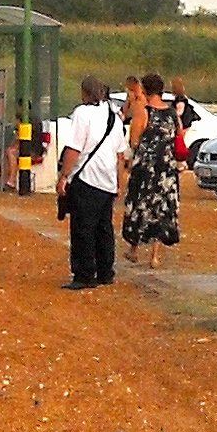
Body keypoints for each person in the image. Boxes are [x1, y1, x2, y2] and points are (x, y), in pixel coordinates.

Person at [54, 76, 126, 289]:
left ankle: (84, 274)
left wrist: (64, 176)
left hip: (87, 179)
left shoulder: (82, 114)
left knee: (83, 228)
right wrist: (119, 183)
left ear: (85, 93)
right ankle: (105, 271)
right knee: (104, 228)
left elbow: (74, 148)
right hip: (108, 180)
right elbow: (120, 154)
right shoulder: (114, 116)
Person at [121, 72, 183, 270]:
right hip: (166, 169)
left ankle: (134, 248)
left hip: (146, 168)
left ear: (145, 90)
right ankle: (155, 256)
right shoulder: (172, 113)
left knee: (140, 205)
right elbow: (179, 136)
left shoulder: (144, 111)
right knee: (162, 208)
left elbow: (135, 139)